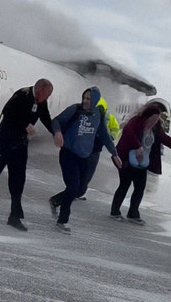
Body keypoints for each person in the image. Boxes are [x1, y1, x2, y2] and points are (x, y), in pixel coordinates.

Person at [0, 78, 54, 231]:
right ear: (39, 91)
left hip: (20, 143)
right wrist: (25, 124)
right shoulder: (22, 95)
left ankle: (14, 216)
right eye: (46, 96)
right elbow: (8, 112)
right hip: (6, 140)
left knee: (18, 179)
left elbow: (45, 116)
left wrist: (56, 132)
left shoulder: (40, 101)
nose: (46, 99)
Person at [49, 87, 121, 233]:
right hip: (69, 154)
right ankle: (62, 221)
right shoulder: (75, 110)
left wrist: (114, 153)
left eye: (89, 99)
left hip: (84, 156)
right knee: (73, 187)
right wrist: (57, 132)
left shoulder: (98, 115)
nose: (85, 101)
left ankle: (55, 200)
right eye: (84, 98)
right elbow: (56, 120)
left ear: (95, 100)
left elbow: (105, 136)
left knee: (81, 189)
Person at [110, 103, 171, 225]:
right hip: (126, 159)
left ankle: (133, 213)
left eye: (157, 119)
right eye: (152, 119)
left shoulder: (156, 127)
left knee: (140, 187)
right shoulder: (136, 121)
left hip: (142, 163)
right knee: (124, 185)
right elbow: (128, 132)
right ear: (146, 117)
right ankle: (115, 211)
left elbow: (165, 139)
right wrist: (138, 147)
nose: (154, 122)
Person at [75, 96, 121, 201]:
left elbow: (115, 129)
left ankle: (78, 191)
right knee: (86, 171)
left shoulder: (105, 117)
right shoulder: (104, 116)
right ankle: (77, 191)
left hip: (92, 148)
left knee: (84, 171)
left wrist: (111, 137)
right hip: (90, 148)